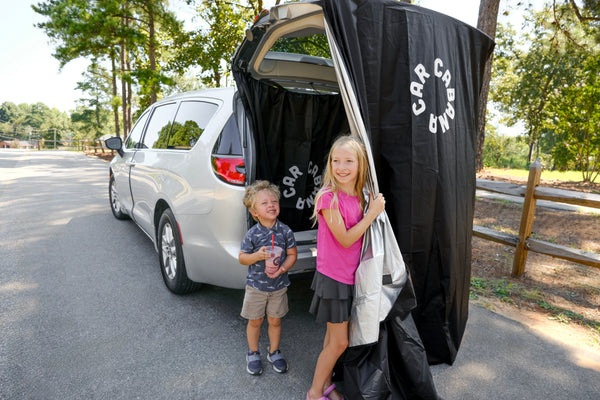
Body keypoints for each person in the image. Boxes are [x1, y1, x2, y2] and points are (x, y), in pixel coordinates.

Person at [306, 135, 386, 400]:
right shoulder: (328, 197)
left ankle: (326, 384)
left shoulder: (360, 196)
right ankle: (315, 393)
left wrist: (369, 208)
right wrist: (372, 214)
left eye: (348, 161)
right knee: (340, 342)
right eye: (336, 160)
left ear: (360, 164)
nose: (341, 167)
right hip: (334, 278)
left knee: (332, 340)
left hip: (351, 277)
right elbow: (346, 238)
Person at [238, 180, 298, 376]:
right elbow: (242, 258)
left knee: (275, 320)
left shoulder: (285, 231)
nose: (271, 205)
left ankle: (274, 351)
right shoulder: (252, 235)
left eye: (274, 201)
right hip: (256, 287)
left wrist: (282, 269)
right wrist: (257, 256)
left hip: (278, 286)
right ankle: (253, 352)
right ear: (254, 212)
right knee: (255, 321)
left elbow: (292, 254)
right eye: (264, 203)